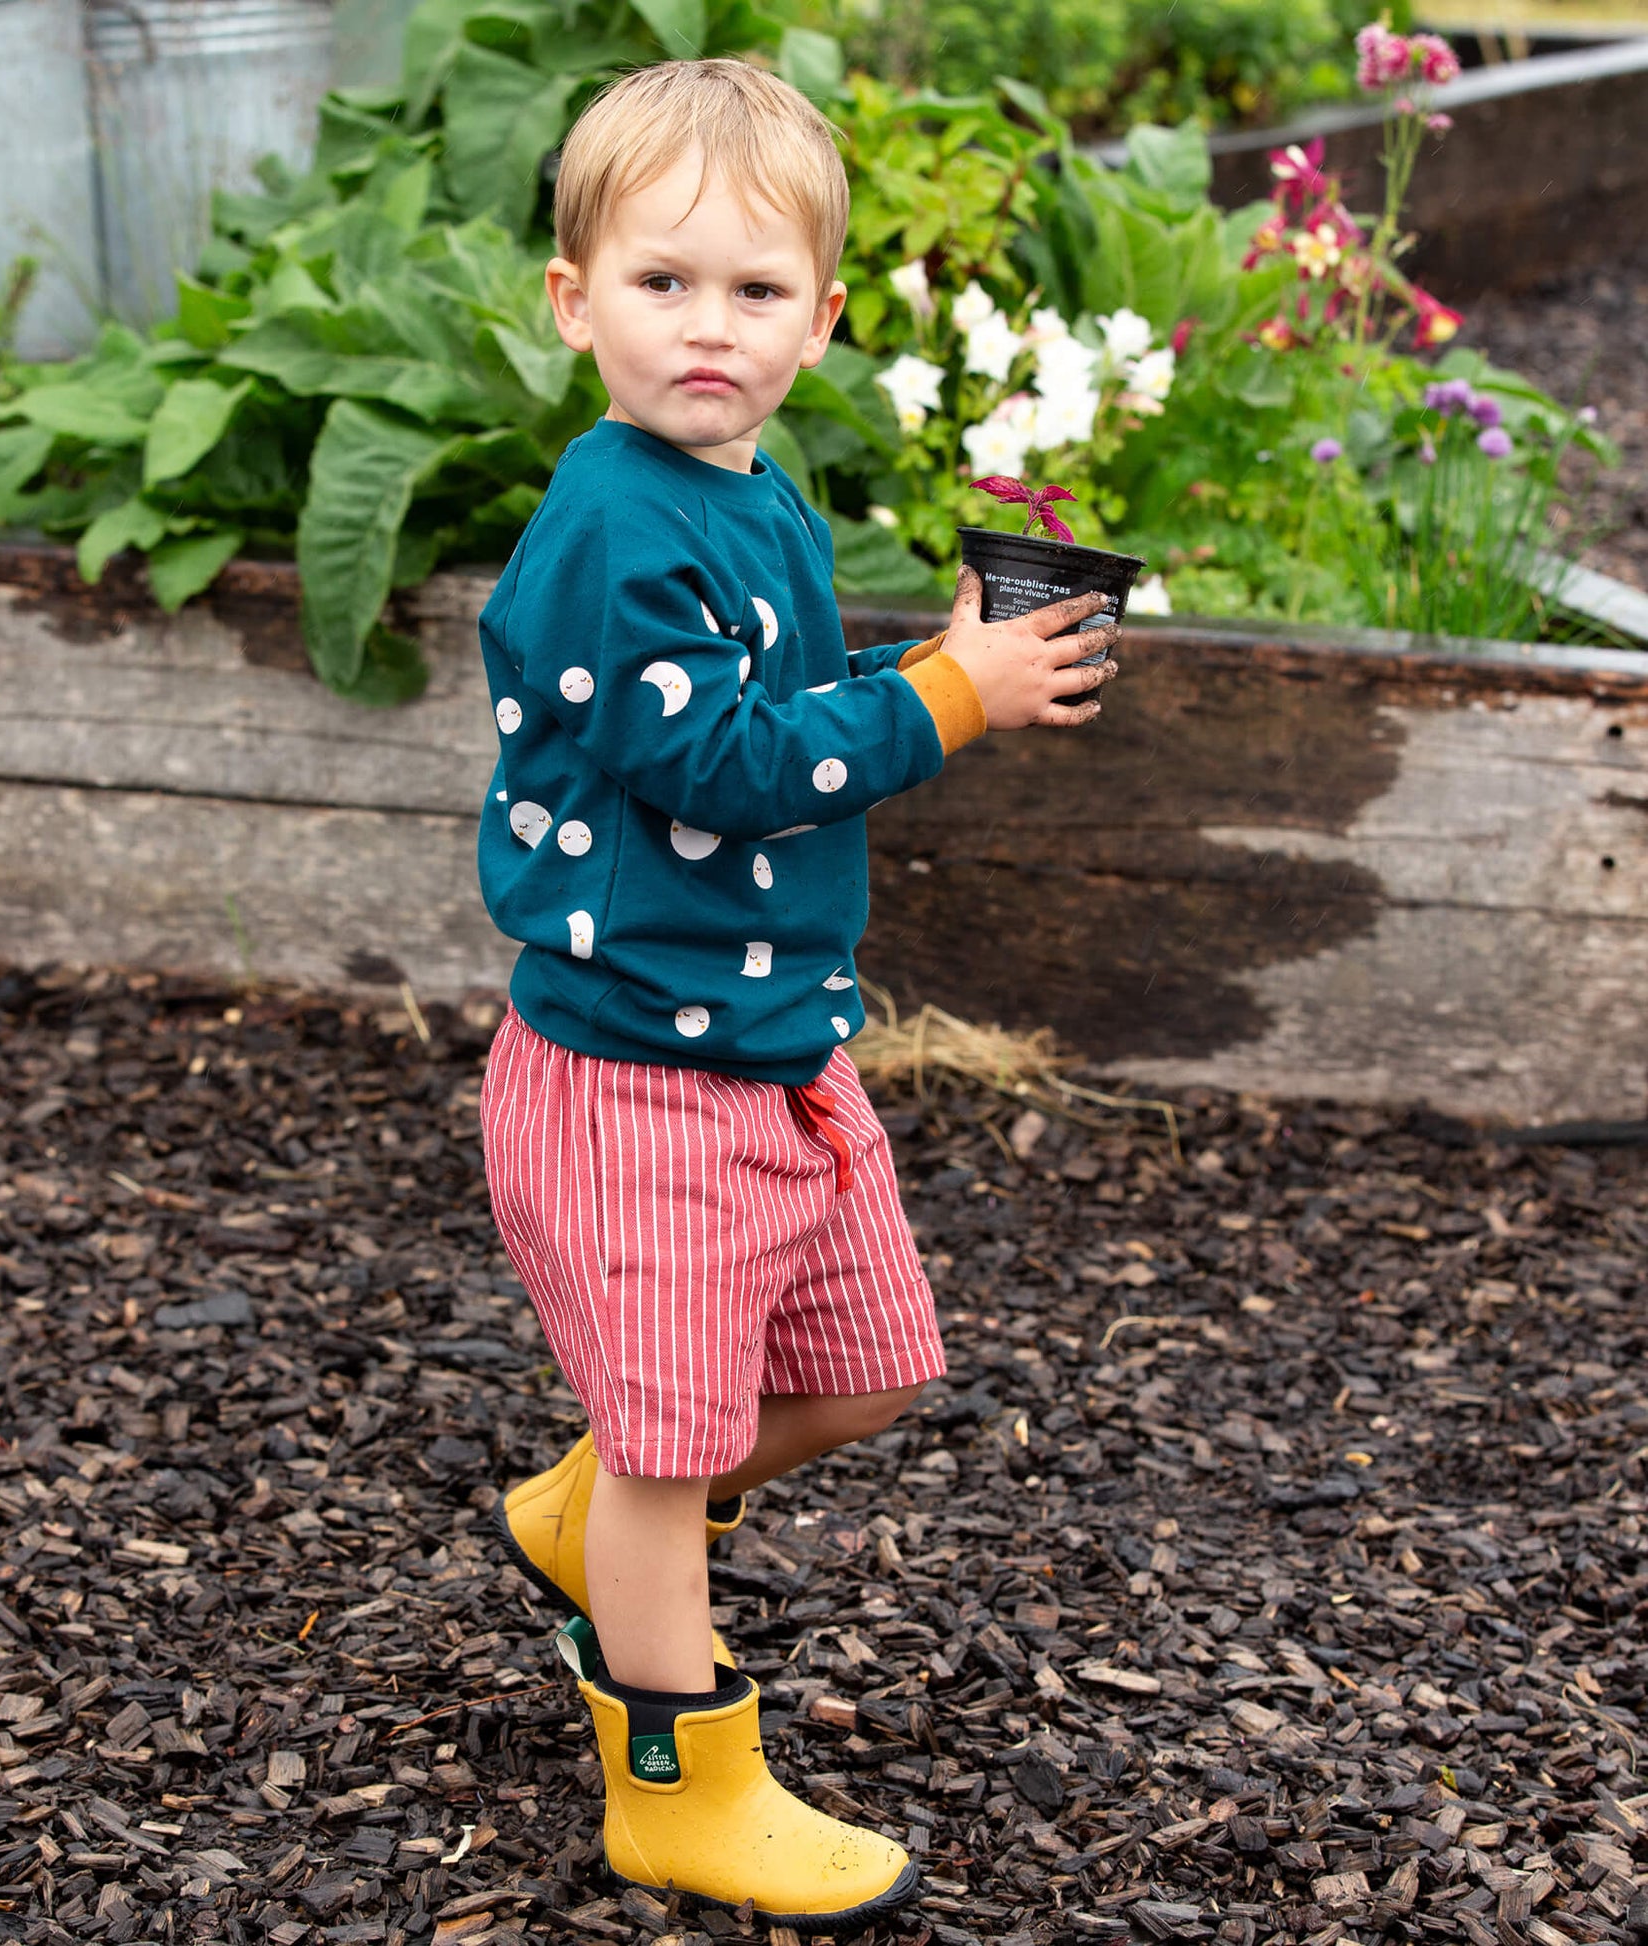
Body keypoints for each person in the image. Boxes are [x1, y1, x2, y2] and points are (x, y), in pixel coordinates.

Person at [473, 57, 1118, 1931]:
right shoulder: (609, 524)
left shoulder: (751, 497)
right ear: (573, 300)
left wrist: (939, 670)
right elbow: (720, 766)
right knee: (679, 1452)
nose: (707, 326)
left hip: (767, 1049)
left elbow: (782, 710)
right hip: (630, 1072)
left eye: (755, 291)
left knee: (868, 1371)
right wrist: (944, 697)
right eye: (662, 281)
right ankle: (675, 1772)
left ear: (820, 324)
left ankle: (587, 1514)